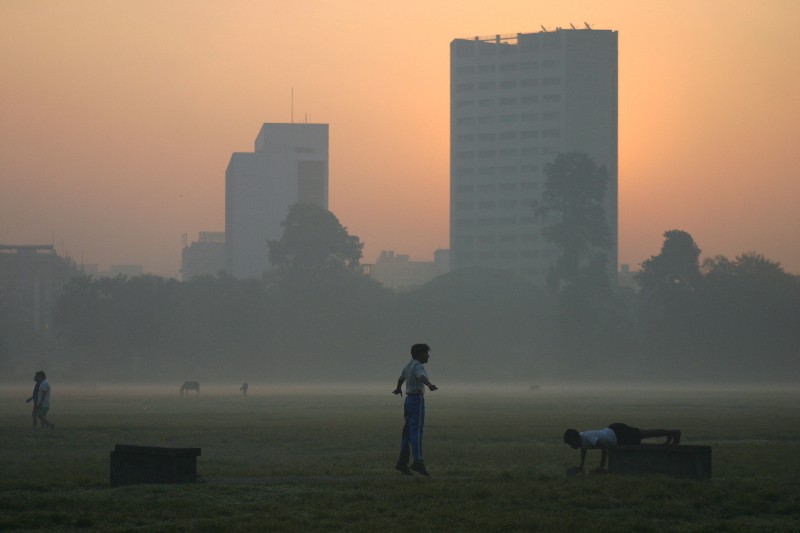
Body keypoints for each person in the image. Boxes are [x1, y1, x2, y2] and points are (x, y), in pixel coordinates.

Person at [392, 343, 438, 476]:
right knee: (416, 431)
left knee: (407, 431)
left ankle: (402, 462)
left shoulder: (408, 365)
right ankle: (418, 461)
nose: (428, 356)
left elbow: (401, 378)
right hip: (417, 399)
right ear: (419, 354)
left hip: (408, 400)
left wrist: (398, 388)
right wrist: (429, 384)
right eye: (426, 353)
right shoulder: (418, 366)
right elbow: (421, 376)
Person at [563, 423, 681, 472]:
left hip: (619, 434)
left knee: (645, 434)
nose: (571, 446)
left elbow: (604, 448)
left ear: (575, 439)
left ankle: (674, 432)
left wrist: (601, 467)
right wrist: (581, 466)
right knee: (643, 438)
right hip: (615, 433)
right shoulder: (582, 440)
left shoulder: (586, 437)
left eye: (570, 443)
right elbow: (584, 450)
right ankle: (669, 435)